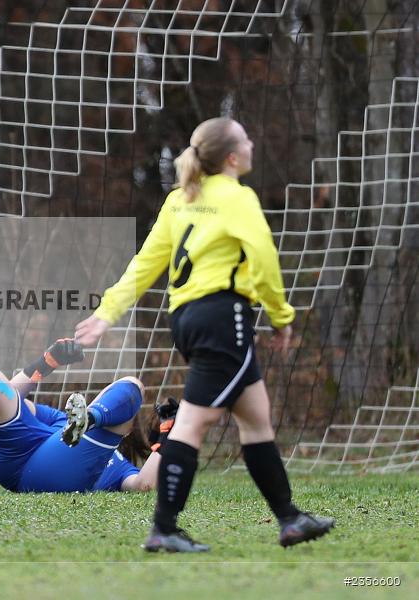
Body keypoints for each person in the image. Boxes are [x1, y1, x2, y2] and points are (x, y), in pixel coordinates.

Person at [75, 117, 335, 551]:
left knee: (255, 418)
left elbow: (144, 264)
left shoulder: (181, 199)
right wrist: (281, 316)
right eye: (246, 137)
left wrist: (108, 312)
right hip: (222, 319)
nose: (252, 142)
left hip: (189, 320)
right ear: (233, 156)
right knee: (192, 424)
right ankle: (164, 528)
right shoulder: (237, 198)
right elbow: (265, 261)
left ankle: (291, 520)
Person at [0, 340, 168, 495]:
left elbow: (143, 485)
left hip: (54, 474)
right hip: (19, 456)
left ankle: (92, 418)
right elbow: (9, 396)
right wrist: (47, 362)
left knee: (134, 383)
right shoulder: (59, 420)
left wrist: (170, 438)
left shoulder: (119, 464)